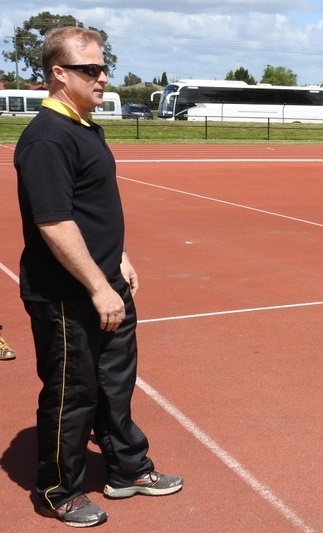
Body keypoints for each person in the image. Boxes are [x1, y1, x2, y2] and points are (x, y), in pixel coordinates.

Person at [14, 27, 182, 528]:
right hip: (69, 295)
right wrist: (96, 286)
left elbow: (93, 209)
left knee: (115, 385)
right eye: (91, 69)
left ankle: (127, 468)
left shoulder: (86, 127)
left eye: (103, 67)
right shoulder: (47, 137)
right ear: (58, 74)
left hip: (107, 283)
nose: (103, 77)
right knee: (72, 394)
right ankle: (57, 490)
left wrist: (121, 256)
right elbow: (54, 222)